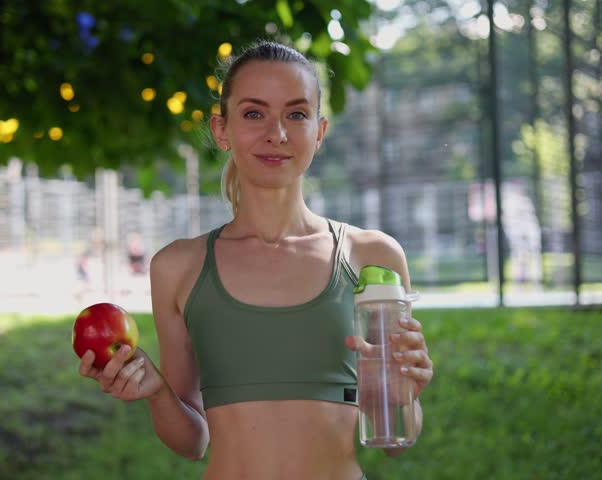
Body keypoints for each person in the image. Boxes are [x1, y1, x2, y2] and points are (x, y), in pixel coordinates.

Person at [78, 40, 433, 479]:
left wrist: (402, 397)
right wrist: (156, 391)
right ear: (222, 129)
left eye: (296, 114)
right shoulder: (178, 268)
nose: (277, 133)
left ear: (320, 132)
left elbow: (397, 440)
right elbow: (192, 441)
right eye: (253, 113)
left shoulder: (373, 256)